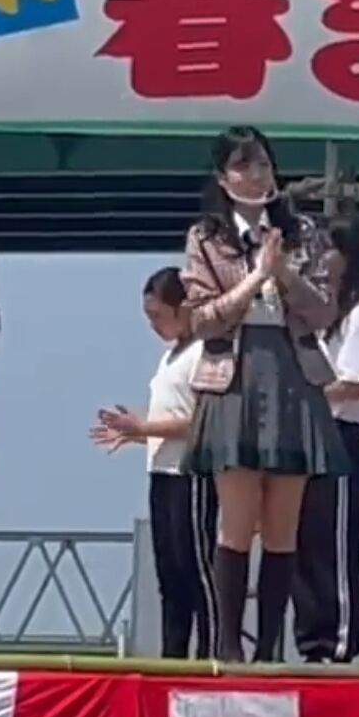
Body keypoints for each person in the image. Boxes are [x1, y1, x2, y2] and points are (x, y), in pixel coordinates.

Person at [180, 125, 349, 664]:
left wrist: (284, 275)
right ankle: (229, 644)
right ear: (222, 177)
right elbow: (201, 319)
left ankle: (270, 647)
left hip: (292, 372)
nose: (255, 175)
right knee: (236, 517)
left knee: (283, 523)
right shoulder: (206, 237)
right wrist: (254, 280)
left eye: (262, 164)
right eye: (243, 165)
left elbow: (324, 312)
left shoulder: (303, 232)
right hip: (234, 374)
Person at [91, 265, 217, 660]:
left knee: (196, 571)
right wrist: (137, 432)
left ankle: (211, 652)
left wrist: (144, 427)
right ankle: (172, 655)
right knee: (170, 575)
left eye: (158, 315)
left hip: (190, 473)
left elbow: (202, 421)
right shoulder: (170, 357)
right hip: (161, 472)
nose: (153, 325)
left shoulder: (203, 352)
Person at [292, 213, 359, 664]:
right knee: (304, 540)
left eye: (328, 249)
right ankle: (310, 639)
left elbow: (352, 382)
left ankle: (340, 640)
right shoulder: (320, 316)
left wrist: (303, 394)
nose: (320, 258)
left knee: (337, 540)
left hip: (340, 434)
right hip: (307, 434)